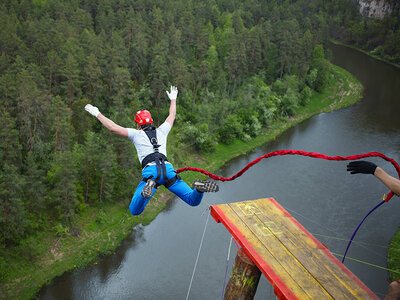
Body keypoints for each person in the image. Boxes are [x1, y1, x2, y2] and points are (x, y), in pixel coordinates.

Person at [84, 86, 218, 215]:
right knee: (192, 200)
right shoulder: (162, 131)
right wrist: (173, 99)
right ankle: (199, 189)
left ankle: (145, 192)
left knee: (134, 210)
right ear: (151, 121)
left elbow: (112, 127)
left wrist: (97, 113)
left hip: (151, 173)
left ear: (138, 124)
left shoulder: (136, 134)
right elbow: (172, 115)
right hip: (168, 170)